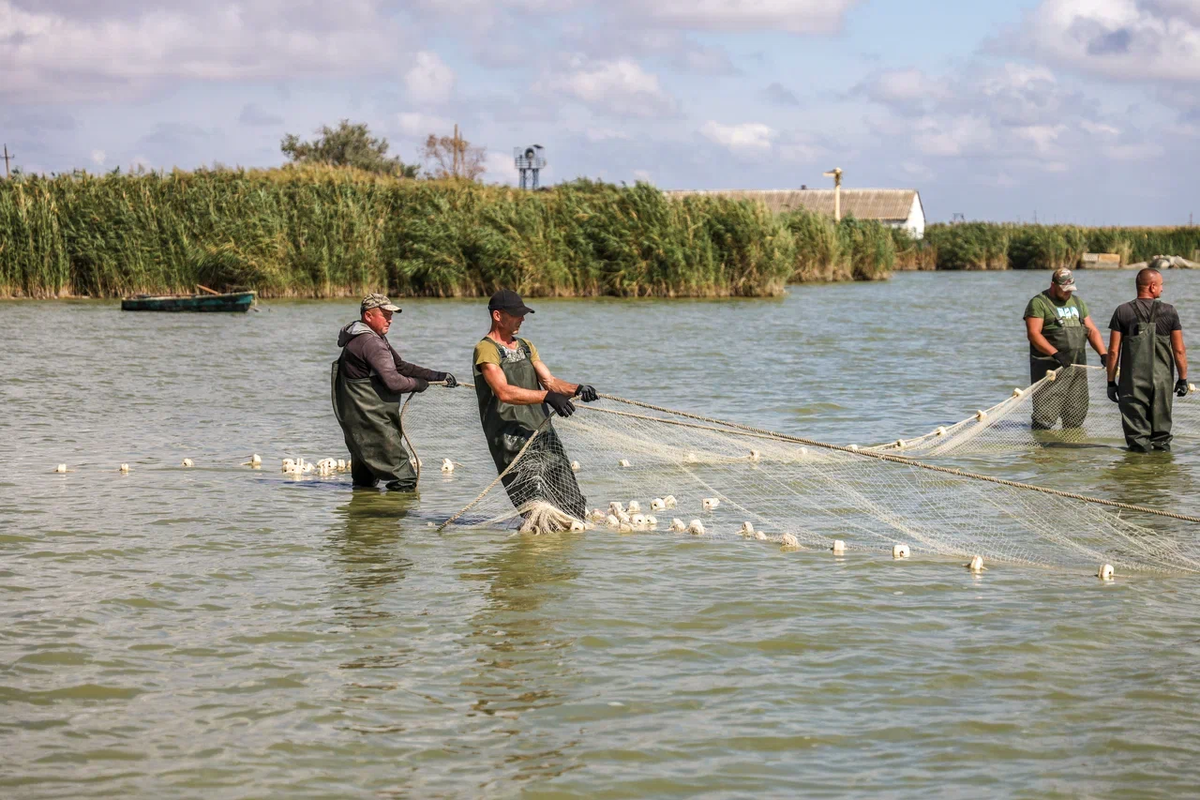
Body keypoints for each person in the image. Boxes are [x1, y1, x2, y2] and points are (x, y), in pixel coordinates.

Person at [473, 289, 597, 519]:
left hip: (542, 431)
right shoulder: (486, 349)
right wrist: (545, 397)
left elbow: (549, 381)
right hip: (510, 438)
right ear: (498, 316)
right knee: (536, 509)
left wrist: (577, 389)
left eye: (523, 314)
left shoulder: (526, 345)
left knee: (573, 503)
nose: (522, 318)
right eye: (516, 314)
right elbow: (503, 392)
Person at [332, 294, 459, 490]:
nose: (390, 319)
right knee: (405, 480)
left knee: (364, 484)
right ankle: (395, 519)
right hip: (374, 424)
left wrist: (437, 375)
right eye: (384, 314)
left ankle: (362, 519)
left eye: (391, 315)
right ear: (368, 316)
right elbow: (394, 382)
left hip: (356, 424)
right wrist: (418, 384)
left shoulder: (364, 338)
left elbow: (400, 366)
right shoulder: (370, 342)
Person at [1106, 262, 1189, 452]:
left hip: (1132, 384)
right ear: (1152, 287)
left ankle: (1138, 476)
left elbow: (1113, 351)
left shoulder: (1122, 311)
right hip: (1162, 383)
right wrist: (1182, 379)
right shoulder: (1169, 311)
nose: (1162, 288)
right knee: (1161, 438)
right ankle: (1160, 476)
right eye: (1160, 284)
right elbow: (1179, 351)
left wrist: (1111, 382)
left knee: (1137, 441)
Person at [1023, 267, 1108, 429]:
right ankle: (1041, 452)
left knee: (1075, 416)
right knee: (1044, 419)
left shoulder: (1078, 303)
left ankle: (1068, 452)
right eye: (1064, 290)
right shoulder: (1039, 303)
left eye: (1070, 289)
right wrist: (1055, 354)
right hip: (1050, 371)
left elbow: (1092, 331)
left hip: (1077, 369)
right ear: (1053, 285)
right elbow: (1033, 334)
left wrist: (1103, 354)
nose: (1068, 293)